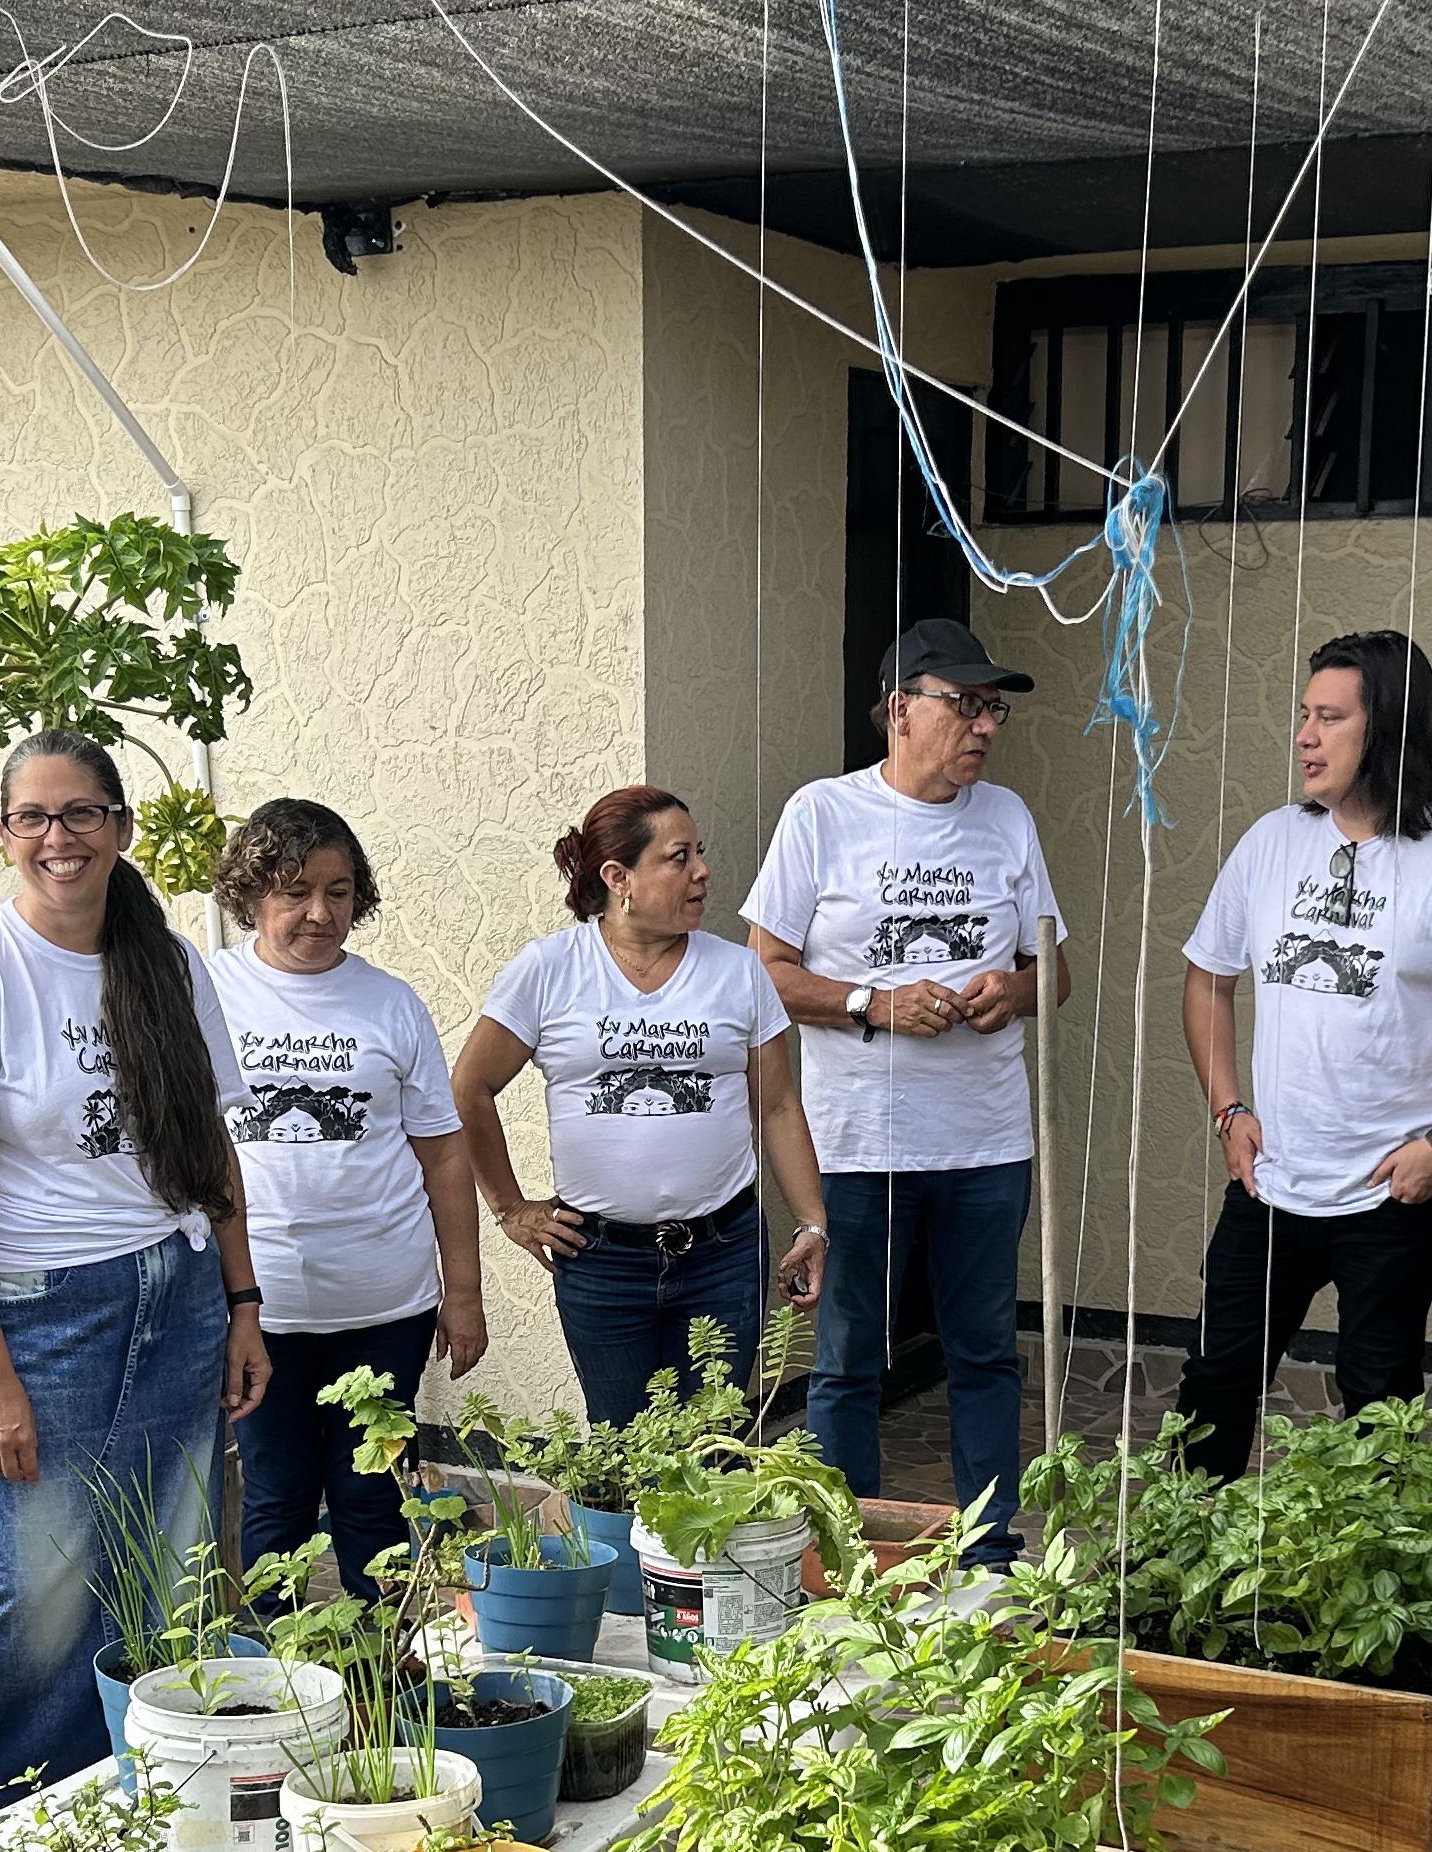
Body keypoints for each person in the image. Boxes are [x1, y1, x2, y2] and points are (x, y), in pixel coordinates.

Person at [0, 730, 264, 1787]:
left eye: (81, 814)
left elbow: (209, 1150)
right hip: (40, 1321)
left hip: (180, 1293)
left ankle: (135, 1802)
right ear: (6, 836)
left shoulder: (168, 963)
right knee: (29, 1588)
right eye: (33, 818)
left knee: (168, 1569)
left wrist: (243, 1302)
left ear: (121, 826)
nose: (58, 838)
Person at [1177, 629, 1432, 1483]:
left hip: (1400, 1193)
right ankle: (1178, 1579)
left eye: (1329, 718)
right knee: (1212, 1387)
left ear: (1386, 727)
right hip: (1272, 1180)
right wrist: (1227, 1109)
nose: (1304, 736)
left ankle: (1366, 1590)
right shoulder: (1273, 840)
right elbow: (1207, 980)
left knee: (1375, 1401)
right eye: (1303, 716)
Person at [742, 617, 1065, 1556]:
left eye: (991, 707)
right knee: (846, 1364)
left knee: (986, 1356)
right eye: (963, 704)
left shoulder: (1007, 818)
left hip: (987, 1141)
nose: (985, 725)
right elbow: (763, 971)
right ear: (899, 710)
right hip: (856, 1144)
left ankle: (991, 1553)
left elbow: (1054, 972)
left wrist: (1014, 989)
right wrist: (869, 1004)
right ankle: (852, 1551)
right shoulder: (822, 814)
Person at [459, 785, 827, 1422]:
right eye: (679, 857)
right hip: (601, 1263)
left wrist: (812, 1224)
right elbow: (469, 1088)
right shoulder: (548, 970)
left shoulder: (738, 972)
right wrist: (510, 1209)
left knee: (713, 1447)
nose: (703, 872)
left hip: (725, 1251)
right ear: (617, 877)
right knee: (622, 1452)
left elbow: (778, 1108)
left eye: (699, 853)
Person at [206, 795, 482, 1596]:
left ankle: (380, 1675)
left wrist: (461, 1293)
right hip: (260, 1312)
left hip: (385, 1304)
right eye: (294, 891)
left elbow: (442, 1157)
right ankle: (278, 1685)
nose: (319, 913)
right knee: (276, 1496)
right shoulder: (206, 994)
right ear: (251, 893)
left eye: (338, 891)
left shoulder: (391, 1003)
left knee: (374, 1498)